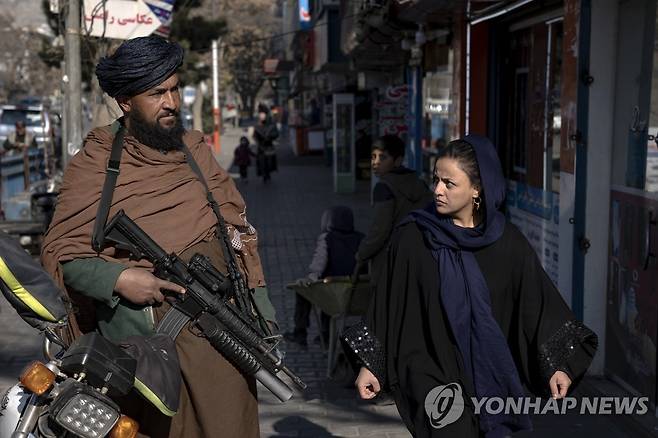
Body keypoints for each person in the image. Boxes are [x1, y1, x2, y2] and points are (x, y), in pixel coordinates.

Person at [41, 35, 276, 438]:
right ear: (126, 101)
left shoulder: (195, 153)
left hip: (221, 342)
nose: (171, 102)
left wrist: (264, 323)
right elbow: (63, 255)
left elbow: (238, 237)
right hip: (147, 358)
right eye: (157, 93)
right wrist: (119, 280)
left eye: (175, 88)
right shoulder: (97, 163)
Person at [343, 135, 598, 437]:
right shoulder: (413, 237)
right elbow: (387, 302)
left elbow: (537, 305)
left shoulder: (507, 242)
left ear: (477, 189)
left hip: (489, 374)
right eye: (436, 180)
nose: (437, 190)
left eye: (449, 184)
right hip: (428, 370)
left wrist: (559, 365)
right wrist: (370, 365)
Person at [356, 135, 433, 286]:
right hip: (420, 258)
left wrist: (361, 254)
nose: (375, 163)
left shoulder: (384, 188)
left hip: (390, 262)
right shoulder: (420, 184)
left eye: (383, 158)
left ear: (397, 160)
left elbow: (379, 231)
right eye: (373, 157)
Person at [284, 206, 364, 348]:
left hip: (333, 290)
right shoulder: (361, 238)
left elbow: (319, 264)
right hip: (355, 291)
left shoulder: (327, 238)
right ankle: (326, 335)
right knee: (328, 290)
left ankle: (300, 333)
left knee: (306, 290)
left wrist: (309, 279)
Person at [253, 111, 279, 183]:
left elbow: (276, 134)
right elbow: (255, 136)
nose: (261, 118)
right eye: (260, 117)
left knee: (269, 162)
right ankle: (264, 175)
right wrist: (258, 140)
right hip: (261, 147)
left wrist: (270, 137)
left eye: (263, 116)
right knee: (262, 162)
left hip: (269, 147)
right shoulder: (257, 126)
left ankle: (268, 174)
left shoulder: (271, 125)